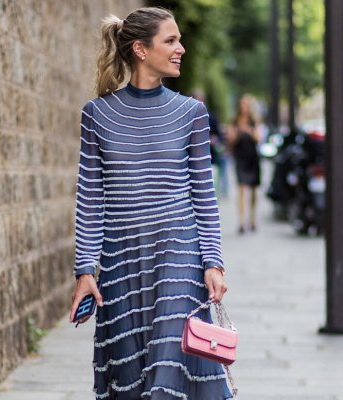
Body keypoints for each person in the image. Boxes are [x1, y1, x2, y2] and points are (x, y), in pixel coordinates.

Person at [68, 7, 233, 399]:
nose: (182, 48)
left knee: (168, 367)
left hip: (178, 257)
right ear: (141, 49)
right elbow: (90, 197)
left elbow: (203, 195)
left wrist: (212, 261)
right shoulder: (97, 115)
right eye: (171, 41)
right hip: (120, 262)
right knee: (128, 377)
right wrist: (85, 268)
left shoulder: (192, 113)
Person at [228, 95, 260, 234]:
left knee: (253, 189)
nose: (243, 107)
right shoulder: (234, 120)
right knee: (241, 188)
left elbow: (258, 138)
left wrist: (249, 130)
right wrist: (238, 132)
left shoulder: (254, 120)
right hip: (240, 158)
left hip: (252, 157)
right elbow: (231, 139)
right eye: (241, 104)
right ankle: (241, 221)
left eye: (246, 104)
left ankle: (252, 218)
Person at [192, 90, 230, 199]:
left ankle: (217, 194)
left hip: (210, 154)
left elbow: (218, 136)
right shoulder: (187, 116)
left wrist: (213, 139)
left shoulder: (211, 117)